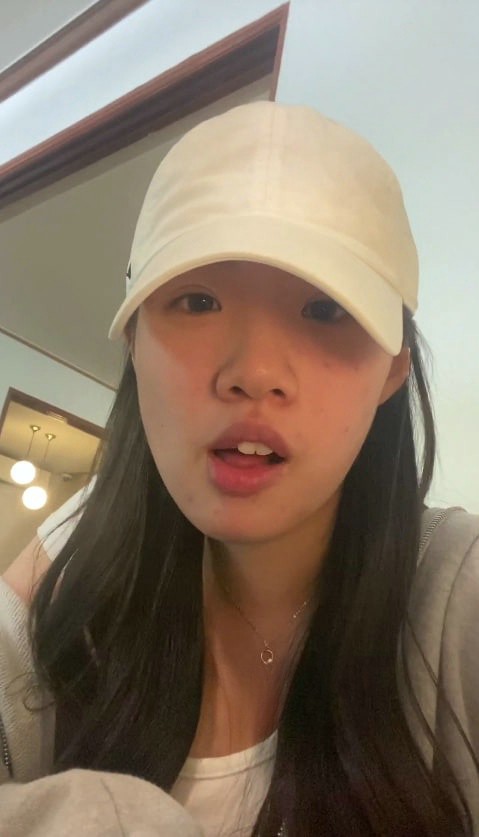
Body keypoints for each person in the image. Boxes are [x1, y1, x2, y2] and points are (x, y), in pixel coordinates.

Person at [1, 100, 478, 836]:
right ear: (133, 339)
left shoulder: (454, 600)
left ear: (391, 370)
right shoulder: (78, 587)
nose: (254, 372)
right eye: (197, 300)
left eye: (324, 310)